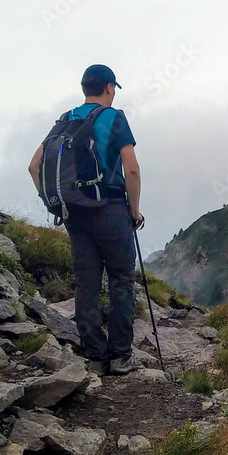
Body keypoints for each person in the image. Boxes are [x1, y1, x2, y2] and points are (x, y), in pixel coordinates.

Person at [27, 64, 144, 376]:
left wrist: (54, 204)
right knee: (120, 280)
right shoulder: (114, 118)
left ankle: (94, 356)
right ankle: (119, 357)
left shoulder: (65, 120)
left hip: (74, 214)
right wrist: (134, 211)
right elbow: (131, 169)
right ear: (109, 88)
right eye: (114, 88)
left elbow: (34, 165)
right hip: (111, 209)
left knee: (86, 284)